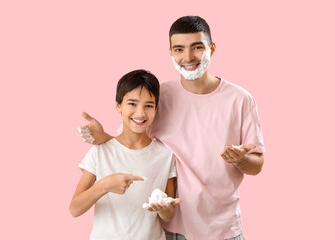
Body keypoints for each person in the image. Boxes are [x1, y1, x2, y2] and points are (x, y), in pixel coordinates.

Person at [79, 16, 265, 240]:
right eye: (179, 49)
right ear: (170, 52)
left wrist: (240, 160)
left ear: (211, 48)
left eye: (197, 47)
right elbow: (129, 147)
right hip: (174, 228)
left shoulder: (241, 99)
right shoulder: (158, 96)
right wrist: (103, 137)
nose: (188, 57)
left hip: (224, 229)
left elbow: (256, 166)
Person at [70, 69, 181, 240]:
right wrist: (104, 185)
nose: (140, 113)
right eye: (132, 103)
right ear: (118, 106)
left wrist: (165, 210)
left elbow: (168, 214)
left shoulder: (165, 155)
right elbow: (75, 209)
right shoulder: (101, 150)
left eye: (149, 105)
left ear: (156, 109)